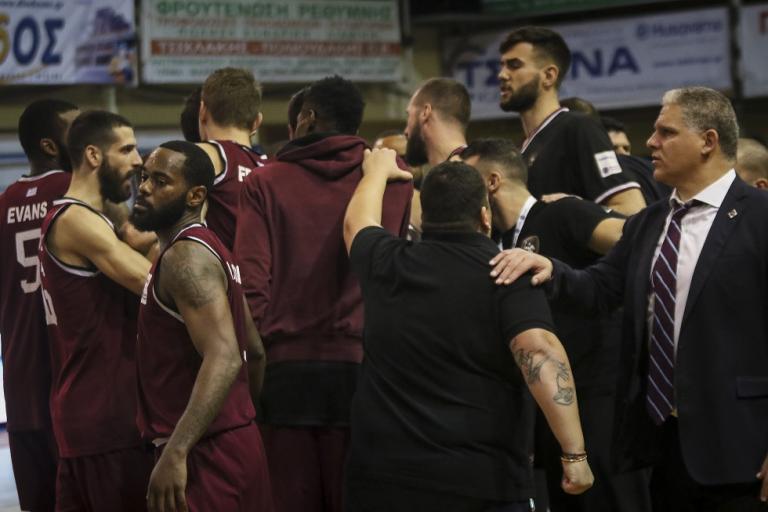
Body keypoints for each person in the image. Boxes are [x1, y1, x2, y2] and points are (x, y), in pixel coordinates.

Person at [491, 87, 768, 511]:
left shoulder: (760, 217)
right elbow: (602, 288)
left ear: (708, 142)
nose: (650, 143)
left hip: (743, 447)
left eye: (666, 132)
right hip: (664, 445)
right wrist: (550, 270)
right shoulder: (649, 222)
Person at [342, 151, 593, 512]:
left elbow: (357, 224)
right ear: (485, 216)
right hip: (481, 483)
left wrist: (376, 171)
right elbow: (538, 351)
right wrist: (574, 454)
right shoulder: (508, 272)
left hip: (385, 479)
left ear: (425, 216)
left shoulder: (387, 262)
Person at [235, 75, 412, 512]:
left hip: (286, 374)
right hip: (367, 371)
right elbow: (395, 281)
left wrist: (252, 376)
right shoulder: (395, 179)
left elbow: (252, 287)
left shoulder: (264, 182)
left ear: (308, 118)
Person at [463, 139, 652, 512]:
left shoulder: (562, 212)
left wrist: (590, 208)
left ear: (492, 181)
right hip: (549, 407)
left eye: (465, 175)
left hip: (599, 400)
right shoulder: (494, 242)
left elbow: (633, 238)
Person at [130, 141, 273, 512]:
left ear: (195, 195)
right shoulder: (212, 247)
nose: (144, 187)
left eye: (161, 181)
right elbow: (253, 351)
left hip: (202, 452)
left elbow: (226, 357)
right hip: (237, 442)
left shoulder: (185, 257)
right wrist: (239, 419)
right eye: (144, 176)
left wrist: (177, 450)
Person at [38, 110, 154, 510]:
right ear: (92, 155)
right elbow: (152, 283)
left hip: (90, 414)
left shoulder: (94, 218)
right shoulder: (76, 220)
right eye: (127, 149)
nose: (138, 160)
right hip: (105, 418)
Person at [0, 99, 78, 512]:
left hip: (18, 377)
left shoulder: (5, 201)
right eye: (75, 130)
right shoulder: (73, 189)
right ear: (50, 145)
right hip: (68, 372)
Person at [497, 26, 645, 215]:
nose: (502, 74)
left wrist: (574, 209)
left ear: (548, 76)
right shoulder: (521, 149)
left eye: (514, 65)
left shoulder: (579, 127)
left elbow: (632, 210)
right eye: (501, 65)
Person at [196, 67, 267, 249]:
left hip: (215, 275)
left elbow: (141, 233)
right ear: (257, 122)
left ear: (203, 110)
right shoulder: (272, 168)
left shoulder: (202, 155)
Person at [404, 77, 470, 167]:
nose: (406, 132)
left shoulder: (457, 175)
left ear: (425, 112)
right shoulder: (477, 168)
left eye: (409, 116)